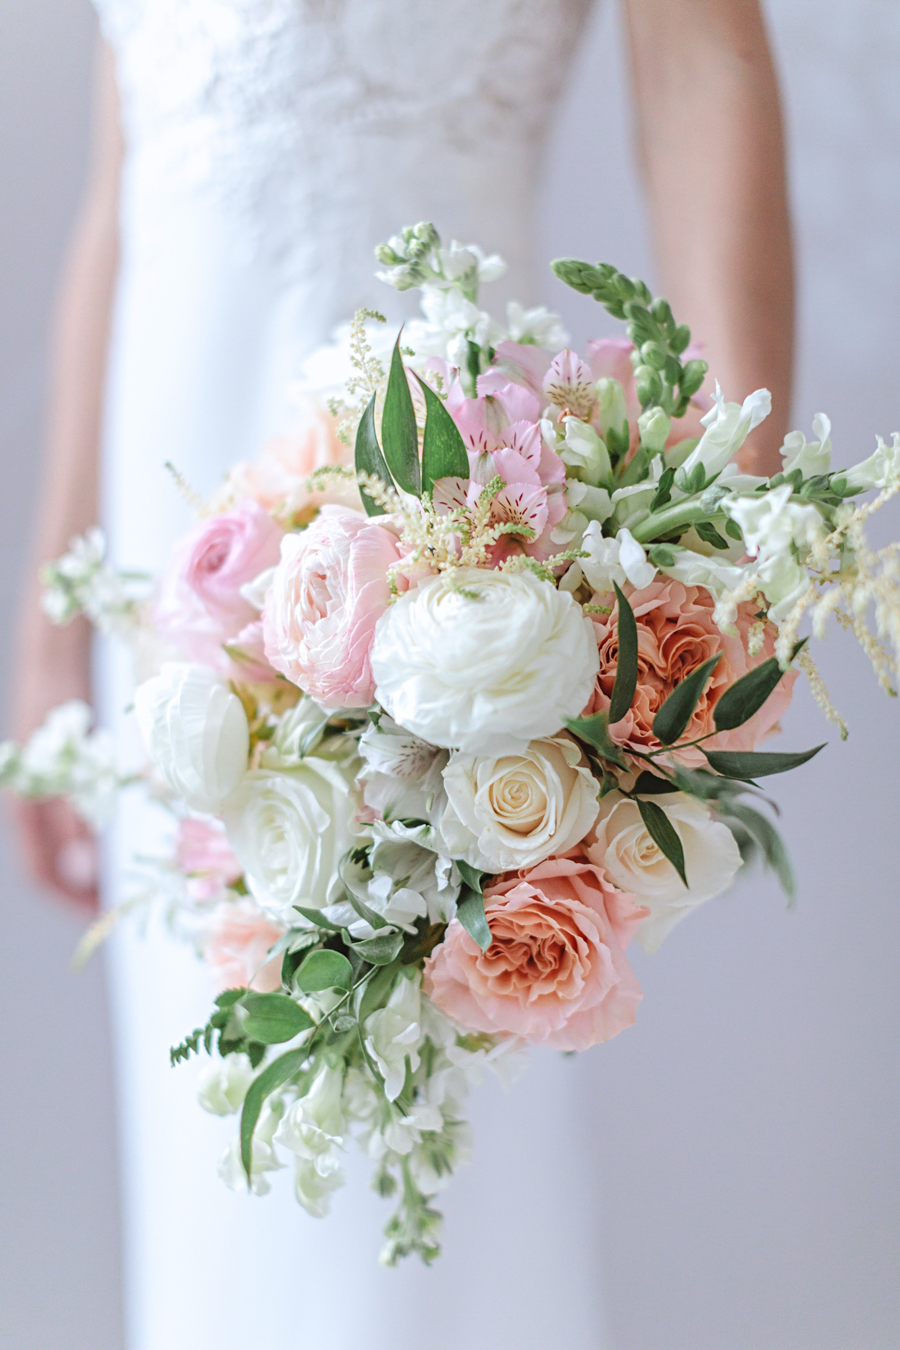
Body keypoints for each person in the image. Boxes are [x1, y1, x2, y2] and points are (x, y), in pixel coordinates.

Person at [12, 3, 793, 1347]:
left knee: (427, 1135)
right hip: (172, 574)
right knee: (217, 1169)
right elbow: (120, 192)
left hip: (439, 546)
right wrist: (47, 632)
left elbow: (700, 71)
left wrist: (742, 534)